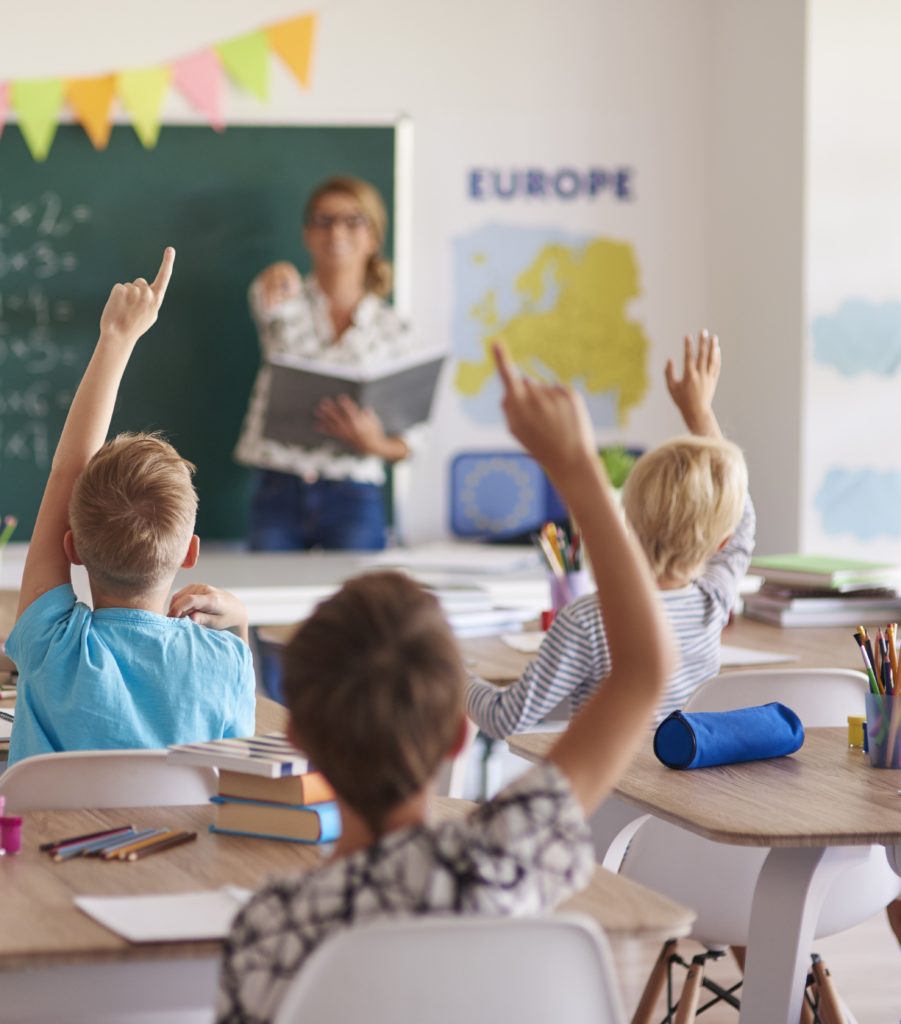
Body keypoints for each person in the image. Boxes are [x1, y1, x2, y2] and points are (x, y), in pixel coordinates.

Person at [215, 342, 675, 1023]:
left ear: (296, 738)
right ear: (458, 735)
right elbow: (643, 669)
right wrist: (576, 470)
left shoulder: (273, 928)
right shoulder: (503, 859)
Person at [7, 249, 256, 766]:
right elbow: (238, 772)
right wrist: (241, 622)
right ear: (190, 552)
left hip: (45, 849)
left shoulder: (53, 649)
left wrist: (115, 340)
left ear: (71, 548)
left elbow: (64, 474)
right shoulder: (224, 662)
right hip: (180, 847)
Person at [467, 330, 755, 739]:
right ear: (720, 542)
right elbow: (742, 523)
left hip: (604, 796)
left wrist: (452, 673)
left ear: (628, 518)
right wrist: (700, 413)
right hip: (677, 797)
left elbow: (503, 718)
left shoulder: (588, 620)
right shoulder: (713, 604)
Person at [234, 176, 417, 553]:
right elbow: (261, 296)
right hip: (278, 486)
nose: (336, 231)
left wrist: (375, 443)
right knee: (270, 605)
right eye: (324, 220)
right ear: (307, 234)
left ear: (373, 237)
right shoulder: (283, 299)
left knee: (359, 609)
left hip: (354, 492)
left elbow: (411, 442)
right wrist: (278, 272)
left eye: (353, 221)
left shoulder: (393, 329)